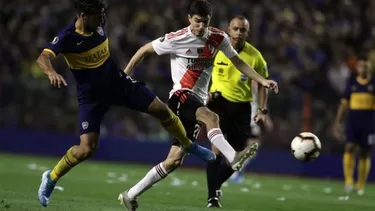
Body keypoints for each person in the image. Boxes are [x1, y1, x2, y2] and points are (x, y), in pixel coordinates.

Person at [36, 0, 215, 207]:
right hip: (92, 97)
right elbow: (43, 57)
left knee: (163, 111)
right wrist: (51, 72)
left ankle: (188, 144)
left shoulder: (97, 24)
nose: (102, 19)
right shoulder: (67, 36)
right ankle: (51, 177)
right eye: (97, 15)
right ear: (83, 16)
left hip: (118, 83)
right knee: (86, 149)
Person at [117, 1, 278, 210]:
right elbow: (143, 50)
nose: (200, 26)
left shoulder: (219, 38)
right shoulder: (177, 38)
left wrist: (262, 80)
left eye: (205, 22)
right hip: (180, 96)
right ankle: (233, 156)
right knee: (212, 118)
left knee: (174, 160)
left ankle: (130, 195)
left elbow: (238, 62)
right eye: (197, 21)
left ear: (210, 21)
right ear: (189, 19)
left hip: (197, 102)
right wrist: (125, 76)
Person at [205, 16, 271, 208]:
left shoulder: (255, 56)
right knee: (216, 149)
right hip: (219, 103)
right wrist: (205, 92)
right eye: (235, 29)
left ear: (247, 33)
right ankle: (212, 196)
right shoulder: (217, 49)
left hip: (242, 108)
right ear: (228, 29)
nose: (238, 33)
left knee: (237, 156)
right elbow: (203, 70)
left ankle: (215, 185)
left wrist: (263, 109)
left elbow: (262, 83)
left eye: (242, 30)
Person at [333, 55, 375, 196]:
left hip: (369, 123)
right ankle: (349, 181)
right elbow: (343, 105)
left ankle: (361, 184)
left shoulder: (373, 84)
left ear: (369, 68)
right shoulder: (352, 84)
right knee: (349, 147)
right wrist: (337, 122)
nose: (362, 68)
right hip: (353, 121)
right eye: (360, 66)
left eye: (365, 66)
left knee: (364, 152)